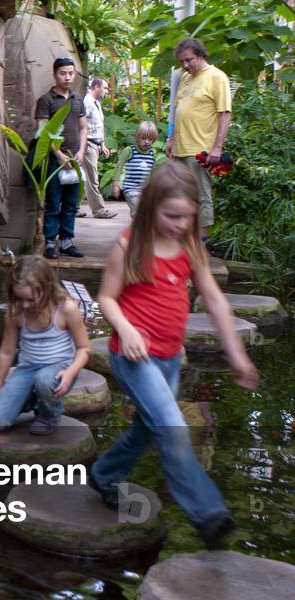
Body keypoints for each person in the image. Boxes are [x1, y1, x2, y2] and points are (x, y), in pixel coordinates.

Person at [89, 160, 259, 549]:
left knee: (149, 429)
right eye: (172, 216)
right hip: (134, 357)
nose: (180, 224)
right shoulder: (129, 245)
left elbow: (213, 299)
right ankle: (208, 514)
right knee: (171, 426)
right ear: (151, 206)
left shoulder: (189, 246)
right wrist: (127, 328)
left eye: (188, 216)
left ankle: (104, 473)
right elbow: (107, 298)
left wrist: (236, 354)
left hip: (168, 358)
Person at [0, 255, 91, 436]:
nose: (25, 305)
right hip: (28, 369)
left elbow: (84, 349)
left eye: (31, 299)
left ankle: (50, 415)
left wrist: (71, 371)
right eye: (19, 298)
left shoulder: (66, 308)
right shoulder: (15, 311)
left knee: (44, 380)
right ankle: (31, 398)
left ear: (47, 289)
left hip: (59, 370)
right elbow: (7, 352)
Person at [165, 38, 232, 239]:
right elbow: (179, 111)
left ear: (201, 55)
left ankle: (200, 244)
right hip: (179, 148)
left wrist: (217, 148)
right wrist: (171, 139)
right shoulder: (186, 77)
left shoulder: (217, 77)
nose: (185, 65)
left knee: (202, 196)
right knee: (179, 196)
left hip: (201, 150)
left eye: (189, 60)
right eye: (182, 62)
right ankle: (184, 238)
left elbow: (225, 113)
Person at [35, 57, 87, 259]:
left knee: (71, 203)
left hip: (75, 160)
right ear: (54, 74)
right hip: (53, 161)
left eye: (70, 73)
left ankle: (66, 241)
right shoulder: (46, 100)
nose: (67, 77)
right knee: (53, 202)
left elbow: (84, 128)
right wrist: (58, 155)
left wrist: (81, 151)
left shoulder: (77, 100)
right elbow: (42, 132)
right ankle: (50, 242)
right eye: (63, 73)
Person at [81, 77, 118, 218]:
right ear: (96, 87)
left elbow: (97, 126)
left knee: (84, 178)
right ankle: (99, 210)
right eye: (105, 88)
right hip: (88, 144)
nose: (107, 91)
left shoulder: (96, 103)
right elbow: (82, 124)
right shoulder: (87, 103)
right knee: (92, 179)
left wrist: (102, 144)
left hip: (95, 144)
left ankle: (74, 207)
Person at [112, 120, 158, 217]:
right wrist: (116, 185)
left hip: (145, 190)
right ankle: (138, 230)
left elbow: (153, 170)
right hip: (131, 189)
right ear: (137, 137)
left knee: (147, 213)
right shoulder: (129, 150)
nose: (146, 141)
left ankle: (140, 229)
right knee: (137, 213)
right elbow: (119, 167)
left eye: (150, 139)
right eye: (143, 138)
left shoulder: (152, 152)